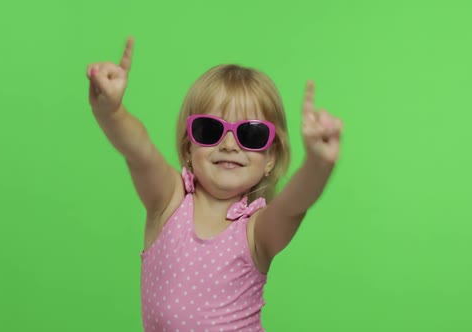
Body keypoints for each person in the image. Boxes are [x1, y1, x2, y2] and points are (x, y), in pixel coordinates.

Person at [86, 37, 343, 331]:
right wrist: (111, 113)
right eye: (210, 130)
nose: (230, 144)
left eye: (250, 134)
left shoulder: (256, 231)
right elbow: (139, 152)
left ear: (270, 157)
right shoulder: (169, 202)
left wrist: (318, 163)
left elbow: (294, 205)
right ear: (188, 149)